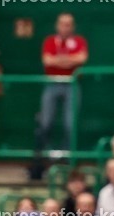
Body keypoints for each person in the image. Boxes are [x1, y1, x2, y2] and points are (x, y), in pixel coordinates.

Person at [36, 12, 89, 150]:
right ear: (57, 25)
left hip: (72, 84)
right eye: (62, 24)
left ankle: (67, 154)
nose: (65, 27)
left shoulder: (79, 41)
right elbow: (47, 60)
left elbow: (81, 58)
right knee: (46, 121)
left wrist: (58, 60)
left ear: (73, 26)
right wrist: (70, 60)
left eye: (68, 25)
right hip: (52, 83)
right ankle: (44, 152)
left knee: (70, 123)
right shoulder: (49, 41)